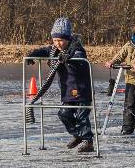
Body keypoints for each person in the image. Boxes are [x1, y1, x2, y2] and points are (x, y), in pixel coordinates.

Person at [26, 17, 96, 152]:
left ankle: (88, 141)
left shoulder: (76, 48)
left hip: (81, 91)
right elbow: (45, 51)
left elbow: (80, 58)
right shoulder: (54, 50)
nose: (58, 43)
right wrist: (34, 54)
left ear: (68, 38)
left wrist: (70, 58)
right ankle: (78, 135)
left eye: (61, 40)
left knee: (82, 117)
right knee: (64, 114)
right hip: (67, 92)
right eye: (55, 40)